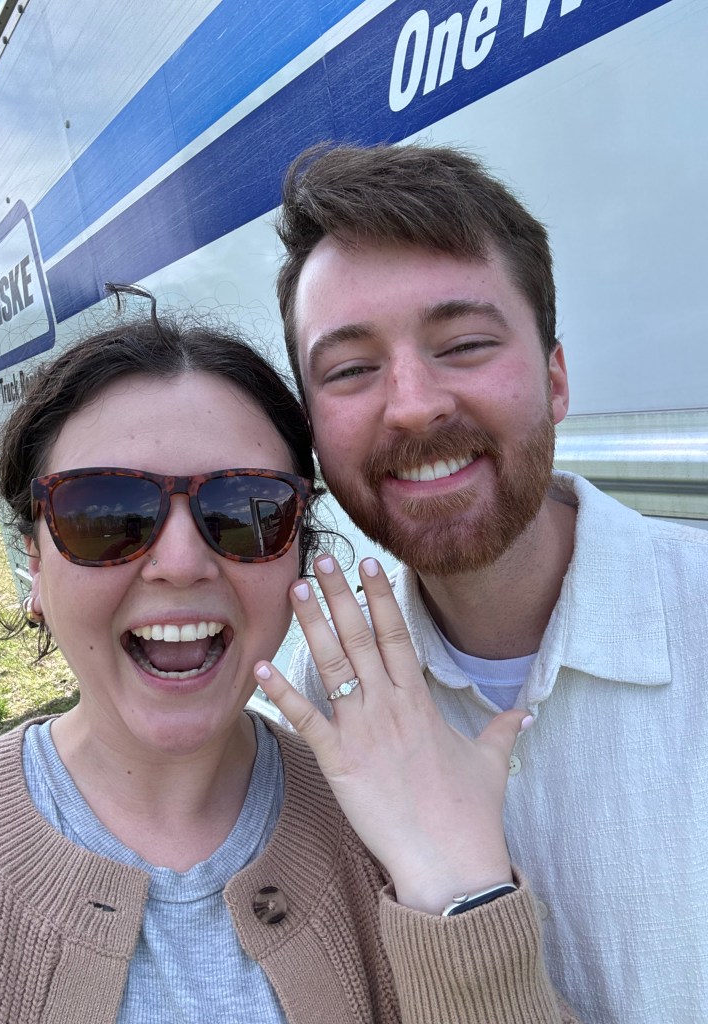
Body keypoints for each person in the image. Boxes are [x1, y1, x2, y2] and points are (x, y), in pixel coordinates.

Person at [0, 291, 579, 1024]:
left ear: (296, 557)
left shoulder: (383, 820)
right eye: (105, 512)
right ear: (34, 561)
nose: (182, 564)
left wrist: (459, 893)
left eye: (246, 511)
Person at [275, 142, 708, 1024]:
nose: (413, 405)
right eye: (350, 370)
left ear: (555, 379)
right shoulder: (307, 703)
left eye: (465, 345)